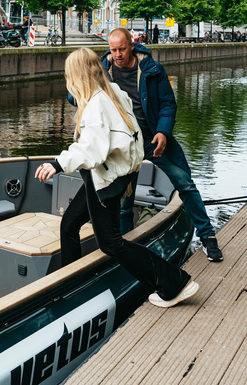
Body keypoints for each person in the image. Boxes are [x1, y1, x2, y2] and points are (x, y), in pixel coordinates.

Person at [35, 48, 198, 308]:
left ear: (76, 75)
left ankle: (173, 282)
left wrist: (57, 163)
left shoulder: (97, 104)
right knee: (69, 225)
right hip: (105, 176)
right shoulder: (114, 93)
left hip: (105, 179)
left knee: (111, 243)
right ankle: (73, 285)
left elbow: (92, 148)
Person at [105, 28, 224, 261]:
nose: (117, 54)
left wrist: (163, 132)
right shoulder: (103, 71)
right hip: (124, 143)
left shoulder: (152, 69)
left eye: (121, 49)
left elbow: (168, 104)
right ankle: (127, 249)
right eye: (113, 50)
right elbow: (78, 97)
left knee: (185, 183)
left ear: (132, 45)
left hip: (152, 139)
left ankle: (208, 238)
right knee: (124, 201)